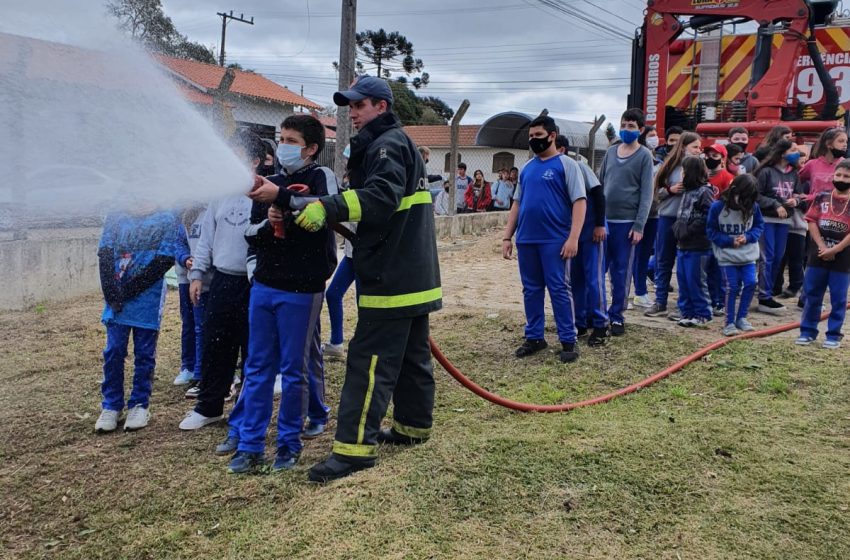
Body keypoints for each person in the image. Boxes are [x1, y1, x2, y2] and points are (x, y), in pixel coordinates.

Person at [293, 75, 442, 483]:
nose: (352, 114)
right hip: (411, 271)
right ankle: (414, 426)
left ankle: (354, 450)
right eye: (350, 107)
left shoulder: (387, 145)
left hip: (392, 275)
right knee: (411, 355)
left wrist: (329, 207)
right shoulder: (390, 143)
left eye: (358, 106)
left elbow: (380, 197)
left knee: (369, 360)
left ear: (381, 106)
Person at [219, 114, 338, 474]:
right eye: (281, 138)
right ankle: (251, 445)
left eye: (290, 140)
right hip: (266, 286)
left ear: (311, 148)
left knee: (294, 369)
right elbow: (252, 231)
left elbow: (328, 209)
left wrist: (284, 199)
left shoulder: (320, 177)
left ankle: (288, 445)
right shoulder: (267, 184)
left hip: (302, 289)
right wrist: (271, 221)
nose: (282, 145)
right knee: (257, 367)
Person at [177, 130, 257, 435]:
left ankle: (246, 407)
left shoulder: (264, 195)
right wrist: (197, 275)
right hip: (222, 281)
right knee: (216, 345)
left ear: (255, 161)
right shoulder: (220, 196)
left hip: (253, 284)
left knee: (252, 348)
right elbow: (206, 240)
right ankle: (208, 407)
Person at [502, 116, 586, 360]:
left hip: (555, 240)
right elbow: (517, 203)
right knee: (531, 290)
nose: (534, 140)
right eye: (531, 137)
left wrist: (573, 238)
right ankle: (534, 337)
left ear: (552, 135)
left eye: (538, 136)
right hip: (527, 239)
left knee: (559, 288)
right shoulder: (527, 168)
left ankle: (568, 341)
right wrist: (507, 237)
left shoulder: (567, 165)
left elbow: (580, 202)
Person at [94, 206, 183, 433]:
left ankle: (140, 404)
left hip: (147, 297)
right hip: (117, 297)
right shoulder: (116, 213)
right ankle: (111, 406)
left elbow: (164, 259)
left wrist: (129, 290)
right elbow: (104, 252)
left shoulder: (167, 217)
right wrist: (111, 291)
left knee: (144, 352)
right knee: (114, 350)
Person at [599, 108, 654, 336]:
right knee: (598, 270)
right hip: (604, 222)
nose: (626, 129)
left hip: (627, 223)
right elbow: (599, 184)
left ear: (640, 130)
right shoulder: (611, 152)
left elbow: (646, 194)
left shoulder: (644, 156)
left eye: (632, 126)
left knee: (621, 271)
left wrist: (639, 225)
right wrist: (596, 218)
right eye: (624, 125)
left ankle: (617, 316)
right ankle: (598, 313)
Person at [554, 134, 608, 346]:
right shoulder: (551, 172)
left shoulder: (579, 167)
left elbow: (598, 193)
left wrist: (600, 224)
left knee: (593, 279)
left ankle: (601, 324)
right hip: (572, 234)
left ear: (563, 149)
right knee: (575, 279)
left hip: (591, 231)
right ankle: (581, 320)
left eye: (556, 148)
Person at [644, 131, 702, 319]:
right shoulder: (669, 166)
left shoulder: (699, 166)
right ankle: (660, 301)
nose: (698, 150)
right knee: (663, 260)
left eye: (699, 147)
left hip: (688, 220)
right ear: (684, 147)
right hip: (668, 217)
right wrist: (671, 189)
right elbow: (656, 192)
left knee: (686, 264)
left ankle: (683, 304)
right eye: (695, 147)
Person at [796, 159, 850, 348]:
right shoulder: (822, 197)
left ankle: (834, 334)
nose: (841, 179)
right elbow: (811, 221)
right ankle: (808, 331)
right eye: (838, 175)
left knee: (839, 297)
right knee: (812, 293)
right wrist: (821, 246)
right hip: (817, 255)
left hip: (843, 258)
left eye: (846, 176)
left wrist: (835, 249)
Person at [707, 174, 765, 336]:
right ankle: (729, 322)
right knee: (732, 287)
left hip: (747, 254)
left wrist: (748, 237)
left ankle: (742, 317)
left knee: (750, 282)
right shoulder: (718, 207)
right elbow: (711, 231)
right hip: (727, 255)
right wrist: (728, 240)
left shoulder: (754, 207)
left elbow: (759, 226)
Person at [754, 139, 804, 314]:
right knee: (766, 258)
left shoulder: (794, 174)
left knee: (777, 257)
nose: (797, 153)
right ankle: (764, 296)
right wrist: (775, 204)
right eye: (794, 149)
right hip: (767, 219)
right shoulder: (766, 172)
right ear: (783, 153)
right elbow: (756, 195)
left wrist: (795, 200)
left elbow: (799, 194)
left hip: (785, 221)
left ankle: (768, 293)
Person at [671, 156, 715, 328]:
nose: (681, 174)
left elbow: (709, 216)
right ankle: (687, 312)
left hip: (698, 246)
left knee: (695, 280)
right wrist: (678, 228)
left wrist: (689, 229)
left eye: (683, 170)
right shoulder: (687, 191)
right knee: (683, 279)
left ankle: (703, 313)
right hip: (683, 244)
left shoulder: (705, 192)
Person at [173, 205, 208, 387]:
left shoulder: (214, 210)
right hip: (187, 277)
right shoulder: (186, 215)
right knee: (189, 322)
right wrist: (185, 258)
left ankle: (202, 369)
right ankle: (189, 366)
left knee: (203, 325)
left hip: (209, 278)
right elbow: (178, 243)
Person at [799, 127, 847, 197]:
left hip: (838, 207)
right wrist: (801, 196)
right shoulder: (812, 164)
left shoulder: (846, 165)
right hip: (814, 206)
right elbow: (793, 182)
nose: (845, 144)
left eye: (846, 141)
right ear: (828, 144)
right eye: (841, 141)